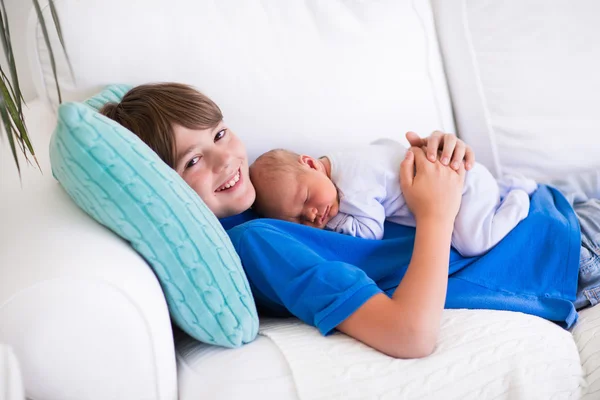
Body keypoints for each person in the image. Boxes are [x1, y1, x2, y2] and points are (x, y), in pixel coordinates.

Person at [101, 82, 598, 359]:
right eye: (191, 161)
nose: (223, 160)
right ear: (161, 185)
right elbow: (411, 335)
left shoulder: (268, 197)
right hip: (560, 255)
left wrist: (446, 162)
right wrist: (438, 210)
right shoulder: (259, 244)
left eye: (221, 133)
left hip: (536, 204)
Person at [249, 139, 538, 257]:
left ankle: (517, 198)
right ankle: (503, 188)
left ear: (310, 163)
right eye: (299, 220)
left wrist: (332, 224)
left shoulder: (350, 186)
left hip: (462, 186)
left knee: (473, 243)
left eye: (306, 199)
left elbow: (370, 232)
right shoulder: (344, 158)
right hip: (461, 179)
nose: (312, 215)